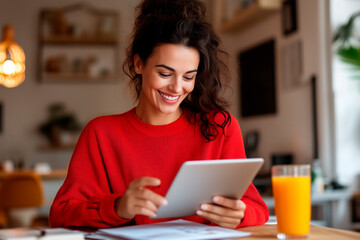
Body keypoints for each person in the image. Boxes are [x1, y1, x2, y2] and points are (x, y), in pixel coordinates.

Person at [49, 0, 269, 229]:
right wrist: (117, 207)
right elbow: (62, 213)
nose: (176, 88)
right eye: (165, 73)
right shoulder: (101, 134)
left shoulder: (220, 127)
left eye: (188, 77)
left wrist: (241, 214)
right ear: (138, 63)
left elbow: (256, 207)